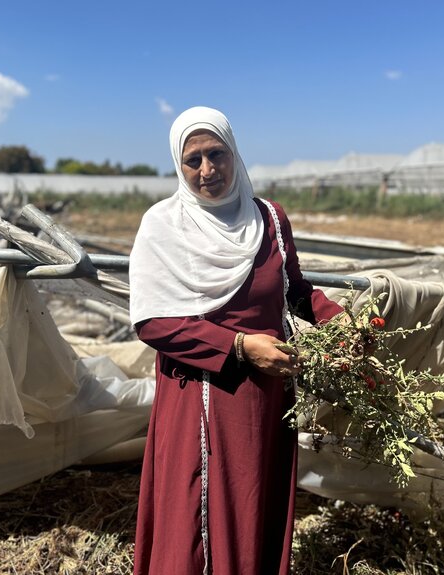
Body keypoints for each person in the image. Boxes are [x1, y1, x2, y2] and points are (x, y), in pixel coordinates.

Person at [129, 106, 344, 575]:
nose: (207, 170)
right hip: (201, 395)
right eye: (193, 160)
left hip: (265, 399)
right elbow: (153, 324)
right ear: (178, 164)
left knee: (253, 501)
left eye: (216, 154)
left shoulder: (268, 217)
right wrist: (242, 347)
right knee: (197, 513)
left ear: (234, 153)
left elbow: (294, 289)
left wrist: (343, 325)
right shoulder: (164, 225)